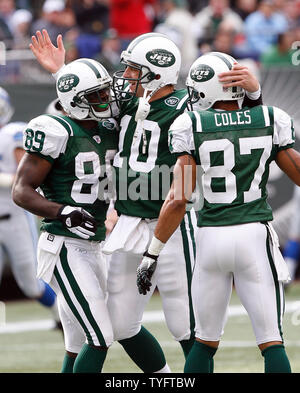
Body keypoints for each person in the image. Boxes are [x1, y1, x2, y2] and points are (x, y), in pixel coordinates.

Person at [28, 29, 263, 372]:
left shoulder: (187, 104)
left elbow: (235, 117)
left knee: (186, 325)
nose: (125, 78)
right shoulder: (127, 102)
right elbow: (88, 95)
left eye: (134, 70)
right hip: (127, 223)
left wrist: (253, 94)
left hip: (171, 225)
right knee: (121, 325)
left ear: (157, 72)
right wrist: (60, 71)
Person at [137, 51, 297, 373]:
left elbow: (178, 199)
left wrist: (152, 254)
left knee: (204, 342)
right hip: (254, 235)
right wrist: (255, 97)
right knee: (271, 341)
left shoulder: (190, 123)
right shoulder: (269, 118)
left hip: (209, 238)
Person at [12, 58, 120, 373]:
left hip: (94, 244)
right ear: (77, 102)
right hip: (63, 245)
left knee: (75, 344)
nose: (105, 100)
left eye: (104, 92)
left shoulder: (109, 128)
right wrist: (63, 211)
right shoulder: (55, 130)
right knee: (100, 336)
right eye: (96, 96)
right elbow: (21, 190)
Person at [0, 87, 60, 327]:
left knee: (30, 283)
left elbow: (26, 179)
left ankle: (62, 317)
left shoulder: (12, 133)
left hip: (14, 218)